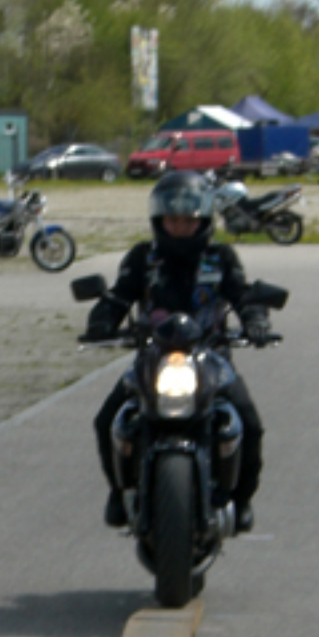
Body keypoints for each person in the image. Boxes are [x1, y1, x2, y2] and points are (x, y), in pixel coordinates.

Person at [83, 171, 272, 534]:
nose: (181, 227)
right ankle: (117, 490)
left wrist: (256, 318)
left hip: (211, 357)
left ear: (203, 220)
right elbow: (121, 294)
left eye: (188, 220)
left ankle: (242, 498)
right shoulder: (143, 258)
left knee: (249, 422)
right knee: (107, 419)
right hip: (153, 356)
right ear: (160, 220)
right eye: (173, 220)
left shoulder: (221, 257)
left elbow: (243, 294)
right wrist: (102, 319)